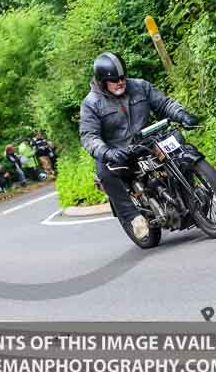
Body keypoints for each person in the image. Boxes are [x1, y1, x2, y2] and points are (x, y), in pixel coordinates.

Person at [79, 51, 198, 240]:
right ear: (102, 81)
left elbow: (164, 104)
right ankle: (133, 218)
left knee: (181, 144)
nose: (120, 82)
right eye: (115, 80)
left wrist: (182, 114)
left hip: (146, 141)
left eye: (122, 77)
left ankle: (190, 195)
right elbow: (89, 136)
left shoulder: (140, 86)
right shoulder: (91, 104)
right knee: (105, 173)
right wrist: (106, 151)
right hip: (118, 152)